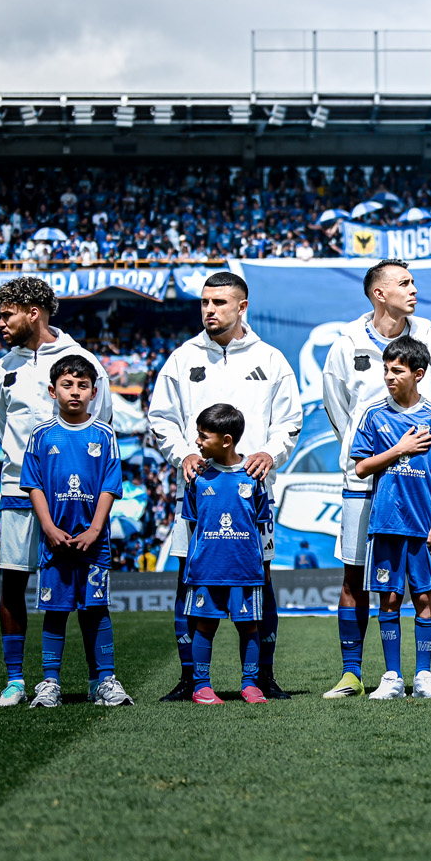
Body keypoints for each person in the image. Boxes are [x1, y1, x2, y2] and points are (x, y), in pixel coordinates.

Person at [148, 271, 301, 702]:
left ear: (242, 306)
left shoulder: (270, 359)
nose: (209, 310)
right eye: (204, 302)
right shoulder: (183, 358)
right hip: (200, 493)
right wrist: (184, 454)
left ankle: (262, 677)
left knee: (260, 581)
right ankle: (190, 678)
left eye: (219, 302)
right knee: (189, 580)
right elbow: (160, 418)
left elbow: (290, 421)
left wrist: (270, 452)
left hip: (253, 494)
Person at [320, 259, 431, 698]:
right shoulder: (347, 345)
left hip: (418, 486)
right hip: (365, 482)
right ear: (379, 293)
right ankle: (352, 673)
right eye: (404, 282)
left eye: (413, 282)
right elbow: (339, 409)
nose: (413, 289)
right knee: (356, 575)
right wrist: (376, 452)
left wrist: (412, 455)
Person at [0, 277, 112, 707]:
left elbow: (101, 426)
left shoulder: (83, 360)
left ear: (33, 313)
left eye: (8, 314)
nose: (0, 322)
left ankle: (99, 680)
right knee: (13, 582)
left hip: (78, 498)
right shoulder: (0, 371)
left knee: (87, 589)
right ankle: (16, 681)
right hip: (19, 491)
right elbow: (4, 430)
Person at [349, 336, 431, 699]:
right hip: (386, 524)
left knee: (425, 600)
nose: (389, 377)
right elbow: (361, 468)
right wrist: (400, 449)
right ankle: (392, 677)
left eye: (397, 371)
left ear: (418, 374)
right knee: (388, 600)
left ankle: (423, 676)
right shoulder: (374, 415)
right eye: (386, 370)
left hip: (424, 527)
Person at [19, 356, 128, 708]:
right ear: (53, 391)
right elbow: (33, 484)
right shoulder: (41, 434)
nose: (75, 392)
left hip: (94, 544)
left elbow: (110, 485)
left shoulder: (104, 434)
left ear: (94, 393)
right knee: (55, 610)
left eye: (83, 386)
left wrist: (95, 529)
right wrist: (48, 527)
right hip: (55, 542)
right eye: (67, 385)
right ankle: (50, 682)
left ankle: (104, 681)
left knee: (96, 609)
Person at [180, 404, 275, 705]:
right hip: (207, 569)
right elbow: (193, 523)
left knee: (249, 627)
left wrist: (265, 565)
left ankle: (250, 684)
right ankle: (201, 686)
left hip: (245, 569)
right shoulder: (197, 477)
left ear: (226, 441)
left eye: (203, 436)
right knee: (205, 626)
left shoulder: (253, 476)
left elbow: (263, 524)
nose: (197, 442)